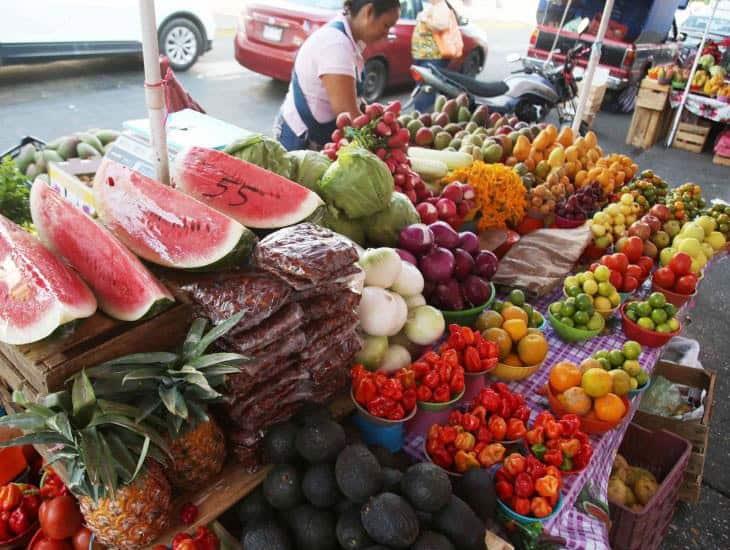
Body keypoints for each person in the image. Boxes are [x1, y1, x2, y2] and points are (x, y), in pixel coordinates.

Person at [274, 0, 401, 151]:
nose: (387, 34)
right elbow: (348, 115)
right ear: (369, 11)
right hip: (299, 139)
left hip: (317, 136)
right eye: (386, 25)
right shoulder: (336, 45)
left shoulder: (349, 39)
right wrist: (386, 144)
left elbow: (352, 99)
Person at [411, 0, 463, 112]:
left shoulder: (441, 6)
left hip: (433, 55)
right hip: (426, 54)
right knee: (422, 86)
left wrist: (424, 19)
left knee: (426, 88)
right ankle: (420, 114)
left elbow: (441, 25)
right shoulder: (433, 6)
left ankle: (422, 117)